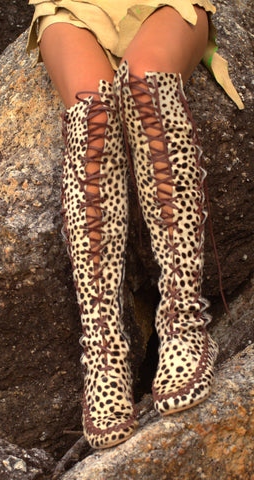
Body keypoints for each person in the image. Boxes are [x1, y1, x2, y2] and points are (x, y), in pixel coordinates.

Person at [26, 0, 244, 450]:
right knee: (93, 114)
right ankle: (103, 353)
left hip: (169, 4)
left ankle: (184, 320)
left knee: (147, 83)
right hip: (72, 8)